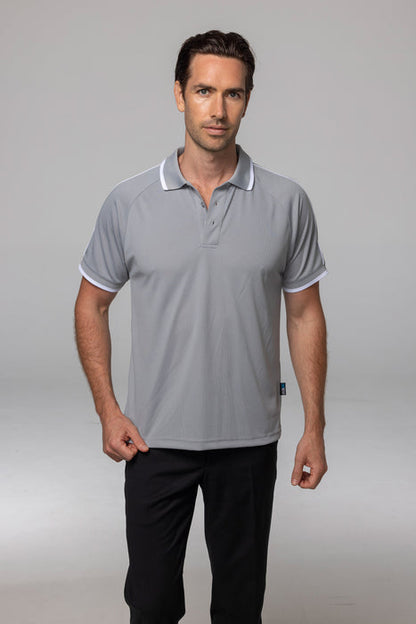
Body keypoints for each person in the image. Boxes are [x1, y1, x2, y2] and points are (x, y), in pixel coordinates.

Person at [74, 29, 328, 624]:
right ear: (179, 95)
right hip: (153, 440)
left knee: (240, 608)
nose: (218, 109)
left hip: (249, 440)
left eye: (233, 94)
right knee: (152, 605)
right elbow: (91, 304)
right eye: (204, 91)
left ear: (248, 99)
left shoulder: (287, 202)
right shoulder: (129, 201)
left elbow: (304, 313)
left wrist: (315, 426)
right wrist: (108, 411)